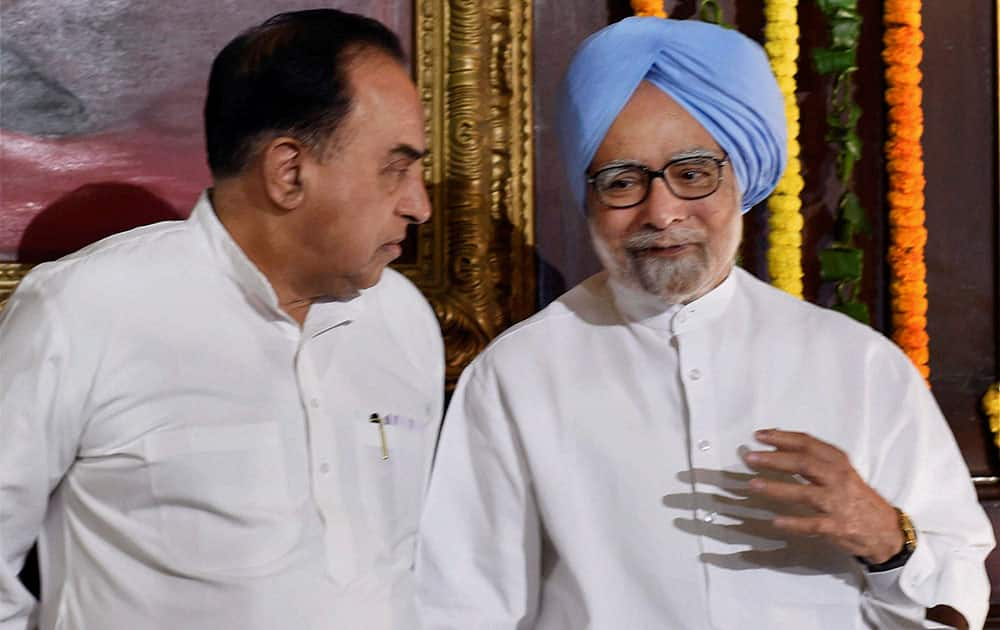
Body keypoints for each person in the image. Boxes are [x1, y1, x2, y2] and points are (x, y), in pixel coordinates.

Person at [416, 17, 994, 630]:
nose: (661, 212)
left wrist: (885, 538)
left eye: (693, 173)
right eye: (622, 182)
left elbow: (953, 601)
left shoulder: (859, 365)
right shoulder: (518, 375)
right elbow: (461, 605)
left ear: (742, 179)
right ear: (589, 200)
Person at [0, 9, 443, 630]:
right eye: (395, 168)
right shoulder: (83, 311)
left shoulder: (404, 319)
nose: (418, 204)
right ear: (290, 172)